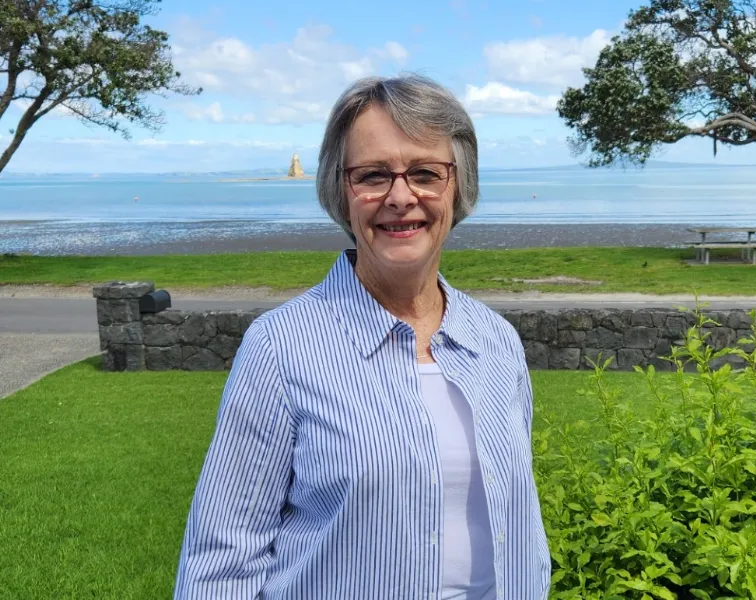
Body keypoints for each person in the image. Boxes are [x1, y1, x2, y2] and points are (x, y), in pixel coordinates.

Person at [173, 74, 551, 600]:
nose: (401, 197)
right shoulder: (281, 348)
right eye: (373, 175)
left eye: (425, 172)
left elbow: (521, 525)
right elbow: (222, 559)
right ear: (341, 191)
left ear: (458, 185)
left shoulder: (496, 342)